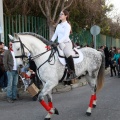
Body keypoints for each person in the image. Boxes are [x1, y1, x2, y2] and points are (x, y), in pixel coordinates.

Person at [51, 10, 77, 81]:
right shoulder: (59, 25)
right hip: (59, 43)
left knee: (67, 54)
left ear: (66, 16)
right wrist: (51, 41)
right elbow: (55, 34)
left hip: (66, 43)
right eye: (60, 14)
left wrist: (58, 42)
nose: (60, 15)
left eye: (62, 14)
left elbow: (66, 36)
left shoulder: (67, 25)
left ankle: (73, 72)